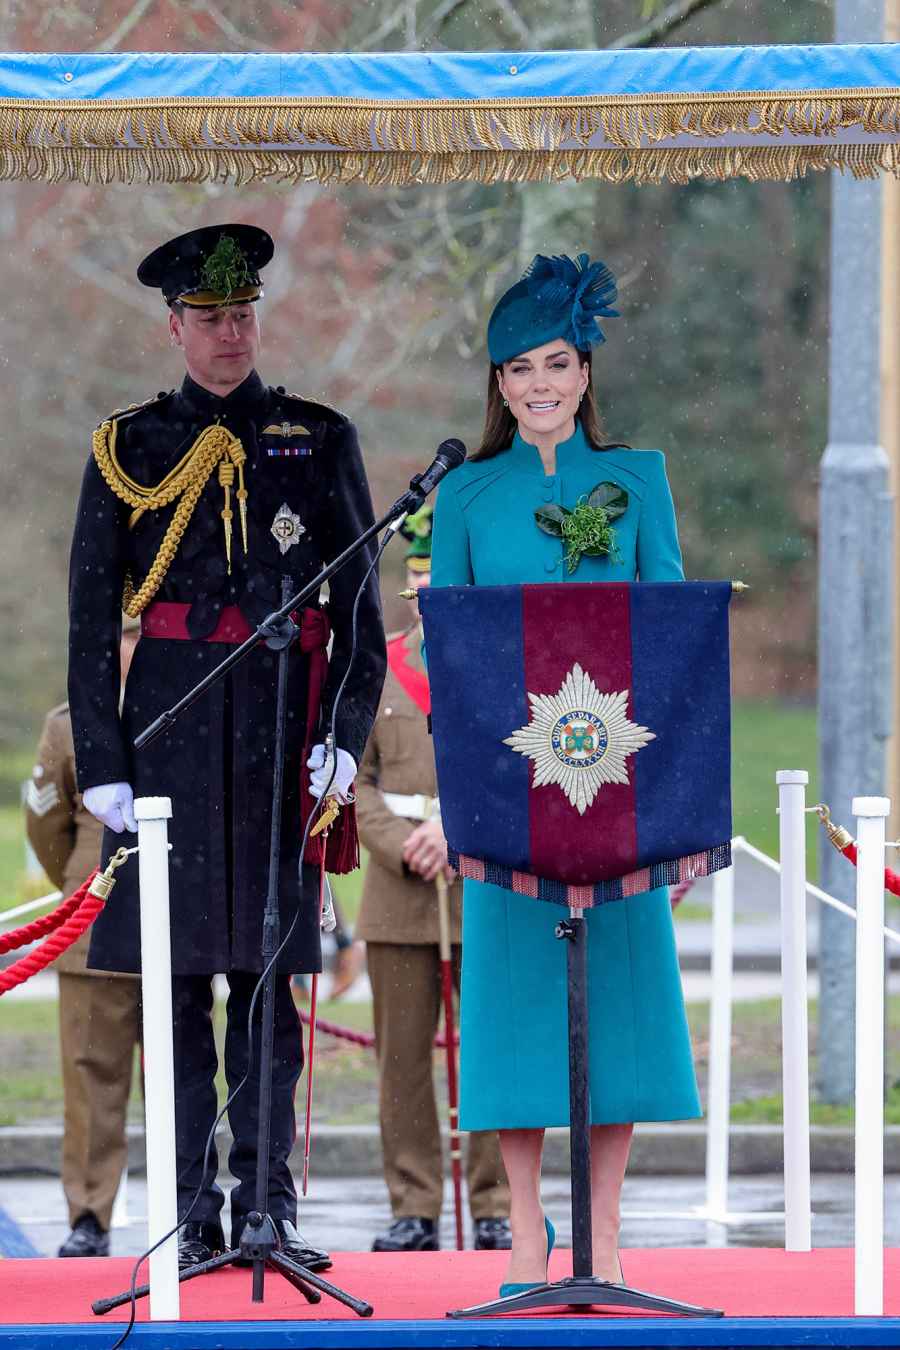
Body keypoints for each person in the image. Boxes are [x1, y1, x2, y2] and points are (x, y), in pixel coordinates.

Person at [67, 224, 387, 1270]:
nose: (231, 334)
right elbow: (85, 618)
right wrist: (105, 762)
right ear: (175, 327)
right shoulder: (128, 448)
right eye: (210, 319)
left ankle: (267, 1206)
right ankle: (193, 1207)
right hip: (169, 732)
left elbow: (360, 612)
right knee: (178, 983)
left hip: (278, 732)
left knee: (268, 982)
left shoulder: (316, 437)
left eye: (244, 314)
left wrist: (343, 737)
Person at [430, 253, 700, 1294]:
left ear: (585, 372)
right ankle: (528, 1231)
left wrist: (677, 810)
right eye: (519, 370)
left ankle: (607, 1228)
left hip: (621, 786)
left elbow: (674, 641)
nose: (540, 385)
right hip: (508, 791)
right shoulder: (463, 494)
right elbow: (447, 658)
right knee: (513, 1002)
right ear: (497, 386)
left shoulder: (640, 481)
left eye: (558, 364)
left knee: (620, 1002)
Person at [355, 506, 511, 1253]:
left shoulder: (504, 666)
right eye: (419, 582)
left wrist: (461, 829)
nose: (429, 594)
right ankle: (413, 1203)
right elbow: (347, 781)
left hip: (485, 885)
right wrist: (401, 842)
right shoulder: (374, 668)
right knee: (402, 1062)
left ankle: (496, 1202)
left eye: (443, 580)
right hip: (399, 889)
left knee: (492, 1049)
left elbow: (522, 766)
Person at [25, 628, 142, 1258]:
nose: (132, 645)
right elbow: (46, 824)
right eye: (123, 632)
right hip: (91, 916)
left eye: (142, 631)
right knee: (92, 1073)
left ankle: (194, 1209)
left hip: (181, 915)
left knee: (189, 1073)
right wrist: (79, 887)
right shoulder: (70, 723)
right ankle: (90, 1215)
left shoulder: (196, 700)